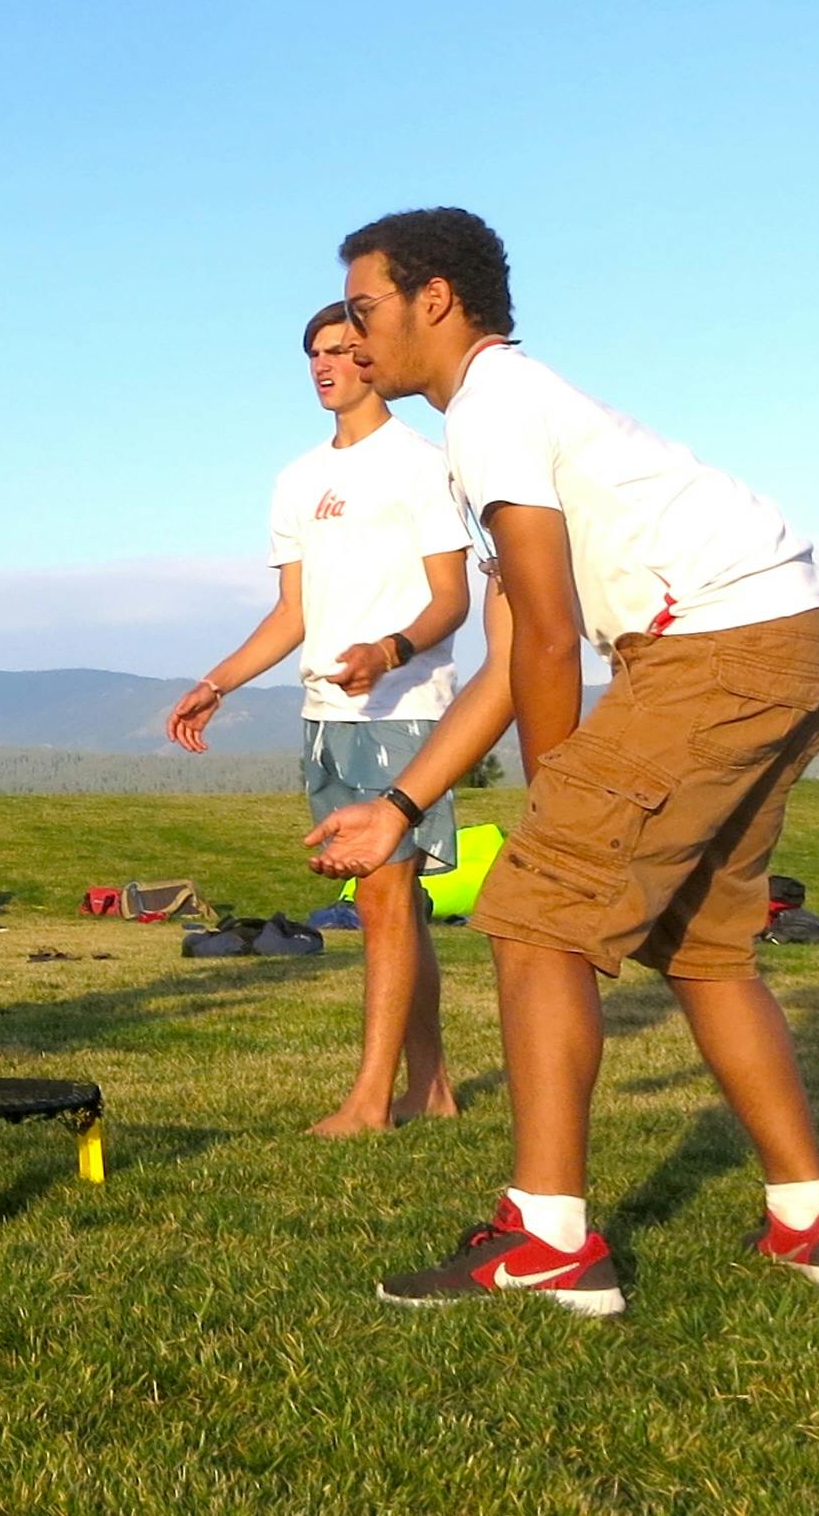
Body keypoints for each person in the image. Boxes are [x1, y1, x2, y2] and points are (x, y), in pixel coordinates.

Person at [308, 206, 819, 1315]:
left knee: (530, 912)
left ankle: (547, 1239)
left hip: (714, 648)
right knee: (705, 946)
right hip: (792, 637)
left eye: (365, 308)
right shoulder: (519, 409)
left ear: (435, 299)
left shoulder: (489, 405)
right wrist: (399, 801)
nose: (353, 334)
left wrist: (555, 800)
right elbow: (512, 652)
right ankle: (813, 1219)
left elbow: (555, 636)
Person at [171, 304, 472, 1135]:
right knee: (394, 907)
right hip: (322, 712)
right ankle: (433, 1086)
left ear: (375, 357)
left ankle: (370, 1101)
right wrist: (219, 681)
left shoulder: (422, 464)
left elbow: (453, 599)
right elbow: (291, 613)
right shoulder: (296, 479)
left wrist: (390, 648)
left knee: (383, 903)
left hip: (402, 710)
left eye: (341, 349)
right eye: (314, 353)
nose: (325, 363)